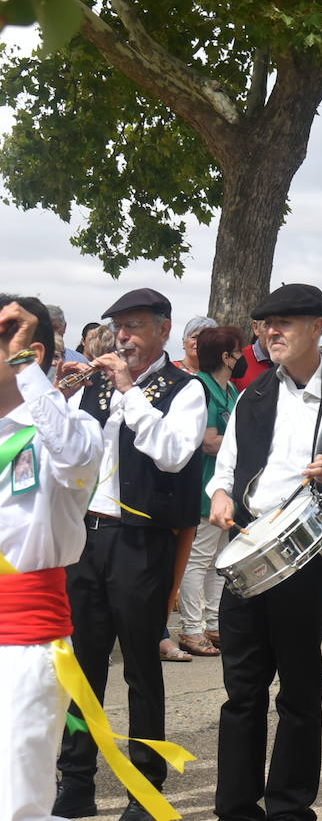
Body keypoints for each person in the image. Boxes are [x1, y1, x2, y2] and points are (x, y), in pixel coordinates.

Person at [206, 283, 322, 819]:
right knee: (242, 690)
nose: (271, 333)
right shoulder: (252, 395)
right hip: (250, 547)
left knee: (299, 691)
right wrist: (218, 496)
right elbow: (226, 471)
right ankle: (236, 806)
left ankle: (288, 806)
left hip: (309, 559)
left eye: (283, 323)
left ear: (317, 329)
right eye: (265, 325)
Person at [55, 288, 208, 821]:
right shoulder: (91, 385)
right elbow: (66, 456)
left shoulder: (184, 390)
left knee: (141, 667)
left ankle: (145, 787)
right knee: (82, 669)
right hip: (86, 537)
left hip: (142, 540)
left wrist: (130, 391)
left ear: (164, 330)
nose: (124, 338)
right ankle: (75, 782)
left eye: (136, 327)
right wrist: (56, 400)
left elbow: (171, 455)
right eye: (119, 328)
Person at [0, 298, 103, 821]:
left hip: (26, 640)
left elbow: (74, 457)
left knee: (17, 797)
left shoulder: (69, 428)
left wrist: (25, 368)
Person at [177, 326, 245, 657]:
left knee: (220, 561)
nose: (242, 357)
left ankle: (213, 623)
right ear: (225, 356)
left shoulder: (230, 389)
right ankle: (191, 628)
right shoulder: (200, 387)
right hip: (205, 483)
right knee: (198, 559)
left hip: (227, 485)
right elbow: (208, 441)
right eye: (237, 351)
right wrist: (242, 445)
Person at [231, 319, 273, 391]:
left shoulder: (292, 365)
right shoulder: (235, 362)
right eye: (267, 326)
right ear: (256, 327)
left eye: (283, 324)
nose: (274, 332)